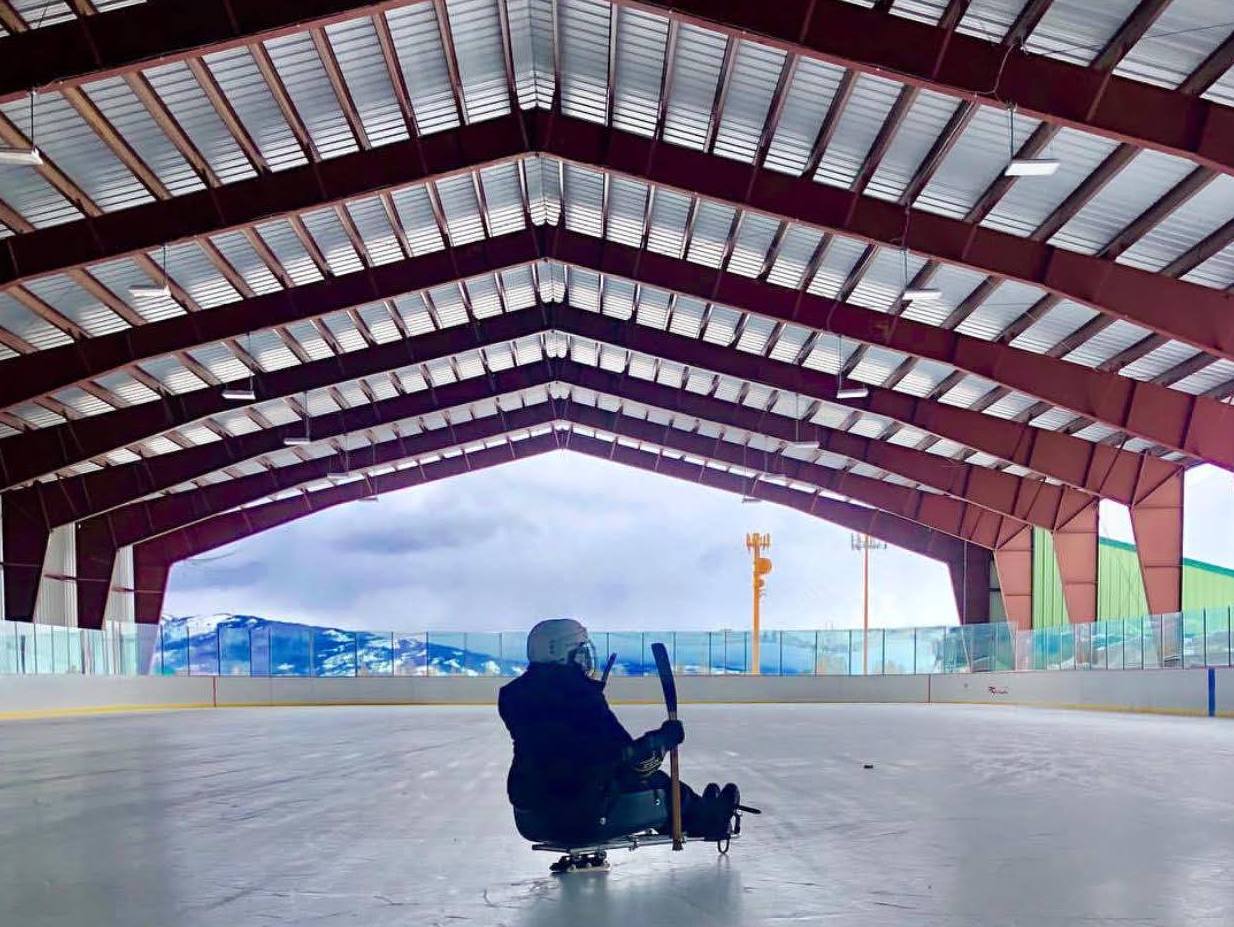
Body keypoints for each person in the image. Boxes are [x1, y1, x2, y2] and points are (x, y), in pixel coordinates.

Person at [498, 618, 741, 846]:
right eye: (580, 652)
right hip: (582, 817)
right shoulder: (582, 697)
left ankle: (701, 809)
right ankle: (711, 820)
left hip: (530, 815)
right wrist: (664, 739)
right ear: (563, 653)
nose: (584, 660)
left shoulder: (512, 696)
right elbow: (632, 762)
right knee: (659, 783)